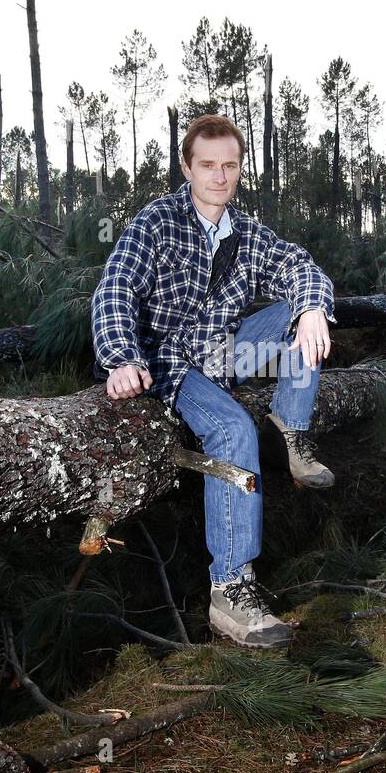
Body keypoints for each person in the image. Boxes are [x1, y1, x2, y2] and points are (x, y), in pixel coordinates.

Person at [91, 114, 336, 649]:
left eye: (229, 165)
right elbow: (114, 290)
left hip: (225, 352)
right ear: (187, 167)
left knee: (302, 311)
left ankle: (289, 430)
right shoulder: (156, 223)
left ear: (240, 168)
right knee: (232, 430)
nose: (219, 177)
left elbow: (298, 263)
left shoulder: (246, 233)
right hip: (172, 360)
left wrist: (313, 308)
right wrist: (121, 359)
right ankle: (230, 590)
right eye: (207, 165)